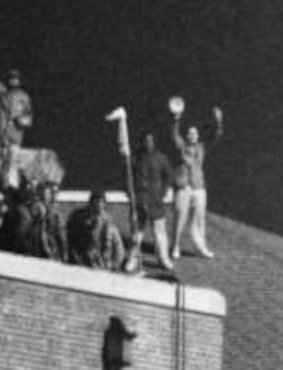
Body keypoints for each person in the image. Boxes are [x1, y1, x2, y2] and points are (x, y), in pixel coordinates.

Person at [170, 103, 223, 259]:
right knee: (180, 216)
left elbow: (216, 136)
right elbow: (174, 134)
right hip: (184, 185)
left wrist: (218, 121)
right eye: (190, 133)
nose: (192, 135)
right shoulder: (182, 147)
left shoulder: (201, 147)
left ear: (198, 136)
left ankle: (201, 248)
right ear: (187, 135)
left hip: (199, 186)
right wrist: (176, 119)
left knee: (199, 219)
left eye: (195, 133)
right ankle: (175, 246)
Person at [127, 131, 175, 272]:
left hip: (156, 200)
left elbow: (169, 176)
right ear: (142, 142)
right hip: (139, 200)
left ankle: (163, 259)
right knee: (137, 232)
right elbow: (126, 176)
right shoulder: (135, 158)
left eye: (150, 140)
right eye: (145, 140)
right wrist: (130, 193)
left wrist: (162, 193)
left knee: (160, 232)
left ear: (154, 142)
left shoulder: (161, 158)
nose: (148, 143)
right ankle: (133, 259)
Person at [67, 190, 126, 270]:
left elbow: (118, 250)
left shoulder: (110, 227)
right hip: (83, 265)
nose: (98, 205)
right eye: (95, 203)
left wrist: (112, 265)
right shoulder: (80, 222)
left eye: (101, 203)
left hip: (104, 265)